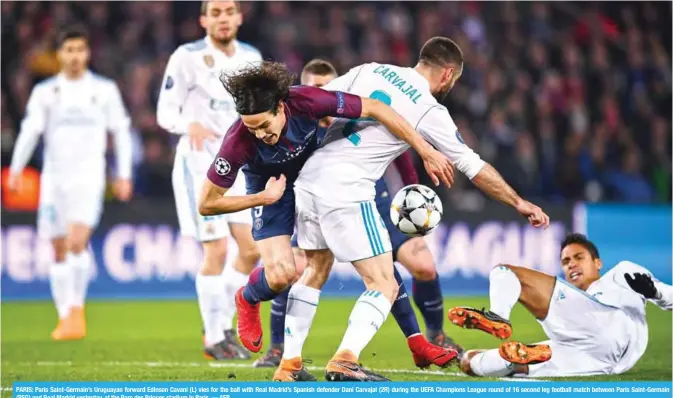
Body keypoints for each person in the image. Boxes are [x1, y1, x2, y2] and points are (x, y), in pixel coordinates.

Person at [279, 36, 550, 382]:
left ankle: (289, 365)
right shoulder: (429, 108)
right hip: (347, 189)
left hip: (309, 179)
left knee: (314, 271)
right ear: (448, 74)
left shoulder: (370, 70)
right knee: (384, 282)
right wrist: (518, 201)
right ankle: (345, 359)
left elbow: (319, 106)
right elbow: (472, 166)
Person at [199, 60, 454, 380]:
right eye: (252, 128)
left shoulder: (307, 100)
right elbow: (207, 204)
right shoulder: (237, 140)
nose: (261, 135)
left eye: (264, 125)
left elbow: (375, 107)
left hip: (316, 184)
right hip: (270, 190)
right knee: (281, 275)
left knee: (358, 265)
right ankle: (247, 298)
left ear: (281, 106)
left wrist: (424, 148)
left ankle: (292, 364)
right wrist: (261, 198)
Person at [7, 26, 133, 340]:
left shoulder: (104, 90)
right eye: (69, 50)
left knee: (77, 241)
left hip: (88, 177)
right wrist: (15, 170)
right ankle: (65, 316)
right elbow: (30, 131)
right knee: (59, 249)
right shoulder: (45, 92)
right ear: (59, 54)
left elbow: (120, 131)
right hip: (54, 180)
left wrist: (124, 173)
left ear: (87, 53)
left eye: (80, 49)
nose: (75, 56)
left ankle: (76, 312)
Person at [156, 1, 261, 360]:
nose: (223, 18)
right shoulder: (186, 56)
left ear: (239, 17)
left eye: (228, 11)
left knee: (251, 249)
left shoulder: (251, 57)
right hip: (200, 165)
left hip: (239, 166)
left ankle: (223, 324)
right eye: (215, 12)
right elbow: (164, 111)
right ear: (204, 20)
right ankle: (214, 337)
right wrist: (190, 124)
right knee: (216, 250)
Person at [450, 233, 673, 378]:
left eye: (579, 257)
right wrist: (468, 357)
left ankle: (497, 316)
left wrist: (656, 292)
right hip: (599, 360)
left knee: (504, 272)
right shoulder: (573, 309)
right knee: (474, 364)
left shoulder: (621, 273)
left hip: (611, 327)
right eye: (566, 262)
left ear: (598, 263)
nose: (572, 264)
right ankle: (504, 359)